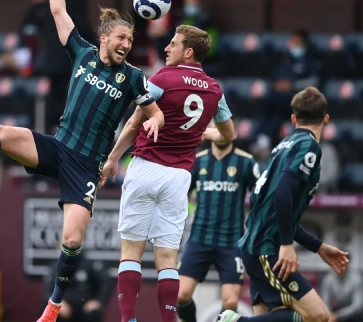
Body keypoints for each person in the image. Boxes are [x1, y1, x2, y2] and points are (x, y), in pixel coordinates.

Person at [0, 0, 164, 321]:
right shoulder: (82, 51)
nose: (126, 45)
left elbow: (155, 111)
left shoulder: (133, 78)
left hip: (86, 168)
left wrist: (156, 121)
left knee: (72, 238)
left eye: (130, 41)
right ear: (104, 37)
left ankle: (53, 306)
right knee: (1, 133)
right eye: (121, 38)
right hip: (57, 148)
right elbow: (59, 12)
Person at [101, 24, 236, 322]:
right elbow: (230, 133)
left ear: (188, 52)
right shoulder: (215, 89)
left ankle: (129, 319)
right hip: (178, 179)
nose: (166, 48)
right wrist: (205, 132)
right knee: (167, 259)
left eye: (173, 44)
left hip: (146, 167)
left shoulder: (163, 78)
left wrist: (112, 159)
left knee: (131, 251)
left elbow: (136, 122)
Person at [218, 87, 349, 322]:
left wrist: (318, 247)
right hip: (267, 249)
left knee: (278, 316)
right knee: (319, 316)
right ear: (326, 119)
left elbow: (272, 207)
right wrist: (286, 245)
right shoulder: (308, 147)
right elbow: (281, 193)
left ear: (293, 119)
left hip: (258, 245)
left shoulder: (283, 146)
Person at [177, 119, 260, 322]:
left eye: (225, 127)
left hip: (232, 242)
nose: (220, 131)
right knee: (180, 294)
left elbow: (261, 199)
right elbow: (181, 197)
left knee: (230, 302)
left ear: (234, 133)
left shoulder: (247, 162)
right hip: (199, 238)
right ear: (207, 132)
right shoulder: (198, 161)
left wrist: (254, 232)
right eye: (216, 127)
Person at [41, 250, 115, 322]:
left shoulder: (89, 264)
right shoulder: (55, 267)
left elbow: (107, 281)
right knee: (51, 311)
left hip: (85, 307)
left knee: (93, 313)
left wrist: (99, 301)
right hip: (63, 305)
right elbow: (47, 292)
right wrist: (57, 303)